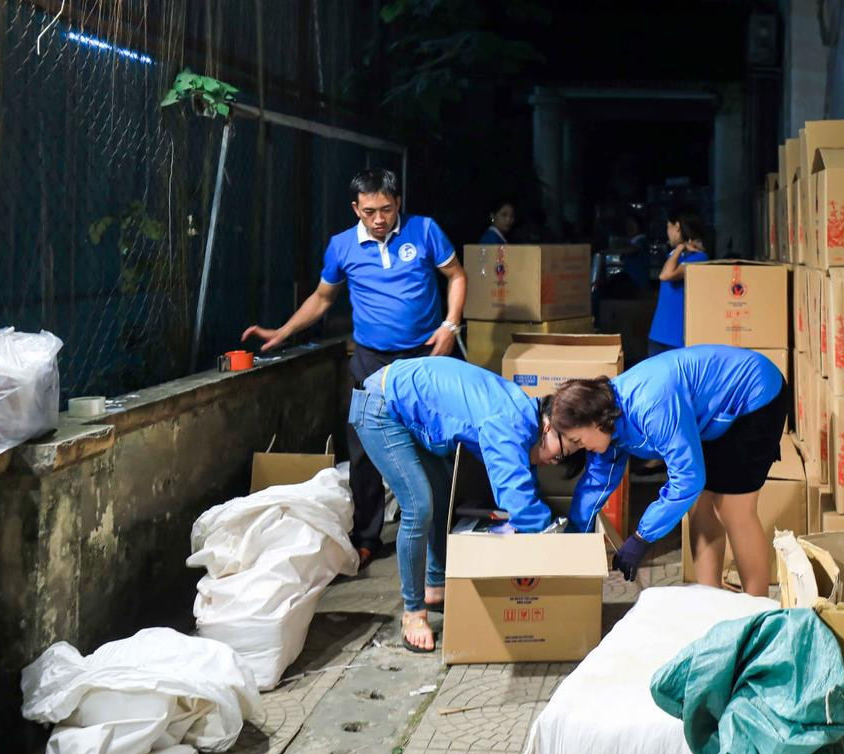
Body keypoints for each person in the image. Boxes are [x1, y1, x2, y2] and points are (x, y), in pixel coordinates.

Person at [242, 168, 467, 568]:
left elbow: (456, 275)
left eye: (385, 208)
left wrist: (450, 325)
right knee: (363, 450)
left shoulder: (425, 230)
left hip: (424, 358)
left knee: (434, 444)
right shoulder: (342, 246)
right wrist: (284, 330)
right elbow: (323, 298)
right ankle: (367, 538)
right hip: (370, 359)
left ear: (398, 202)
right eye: (368, 211)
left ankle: (442, 537)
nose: (378, 218)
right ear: (355, 209)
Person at [349, 356, 580, 652]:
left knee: (443, 494)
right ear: (549, 427)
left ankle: (435, 586)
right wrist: (561, 546)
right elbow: (516, 499)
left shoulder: (524, 414)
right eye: (562, 453)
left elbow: (522, 476)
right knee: (419, 506)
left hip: (412, 411)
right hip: (380, 406)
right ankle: (413, 613)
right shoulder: (509, 422)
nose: (554, 463)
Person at [550, 345, 787, 597]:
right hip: (711, 416)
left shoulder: (650, 406)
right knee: (700, 506)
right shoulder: (607, 419)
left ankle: (758, 606)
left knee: (733, 509)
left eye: (577, 440)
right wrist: (573, 541)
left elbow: (687, 479)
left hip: (754, 393)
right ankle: (710, 599)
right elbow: (596, 483)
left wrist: (642, 536)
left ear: (593, 420)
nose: (579, 448)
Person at [648, 209, 709, 356]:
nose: (667, 233)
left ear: (677, 227)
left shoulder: (699, 258)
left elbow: (666, 275)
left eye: (668, 227)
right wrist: (679, 250)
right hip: (658, 333)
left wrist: (680, 246)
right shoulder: (674, 255)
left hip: (676, 336)